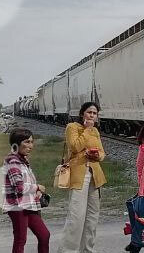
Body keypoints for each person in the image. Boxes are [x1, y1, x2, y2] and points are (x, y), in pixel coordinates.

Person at [61, 101, 106, 253]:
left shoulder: (96, 131)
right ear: (82, 114)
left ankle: (87, 250)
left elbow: (102, 153)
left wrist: (96, 155)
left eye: (95, 113)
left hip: (95, 176)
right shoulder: (72, 127)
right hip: (79, 175)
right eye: (89, 112)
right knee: (76, 217)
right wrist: (87, 130)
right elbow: (74, 147)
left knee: (92, 218)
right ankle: (68, 251)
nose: (92, 115)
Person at [3, 128, 49, 253]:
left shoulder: (23, 160)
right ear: (16, 144)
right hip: (17, 206)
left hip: (28, 205)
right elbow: (19, 187)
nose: (31, 146)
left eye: (32, 142)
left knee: (44, 235)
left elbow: (27, 182)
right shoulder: (13, 161)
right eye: (27, 142)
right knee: (20, 240)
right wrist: (38, 187)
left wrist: (37, 192)